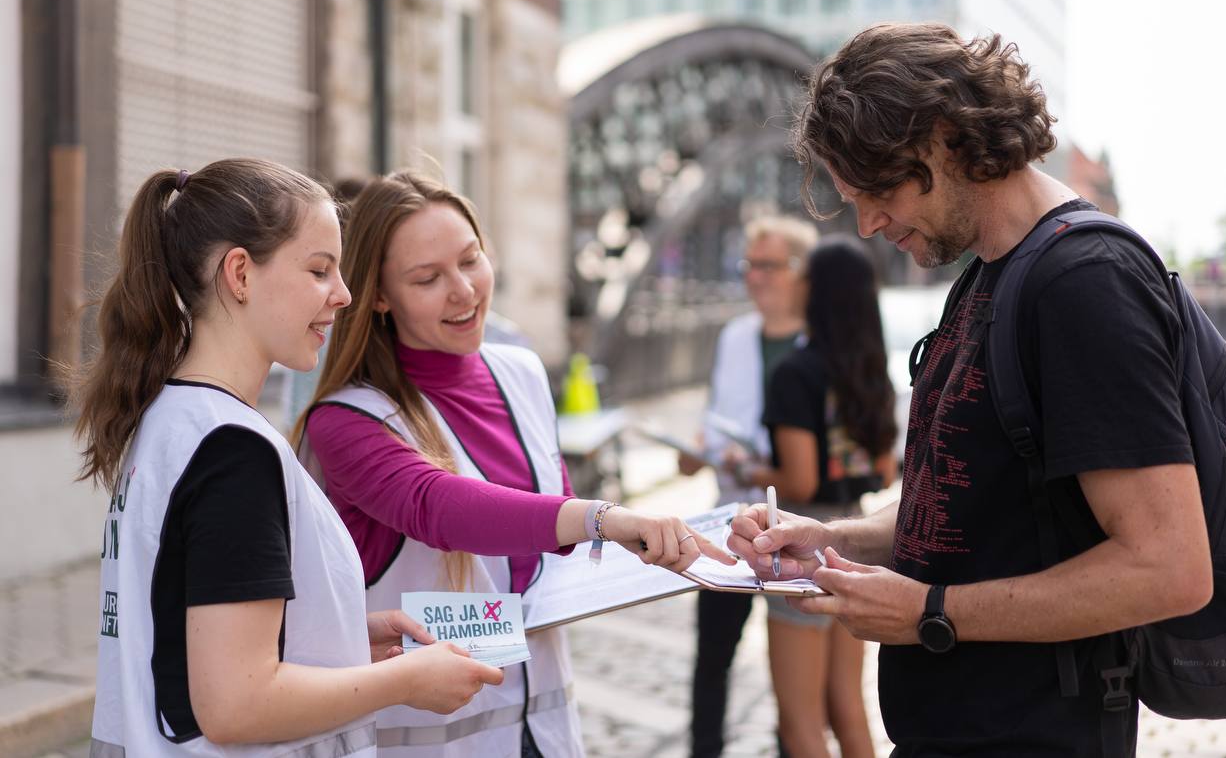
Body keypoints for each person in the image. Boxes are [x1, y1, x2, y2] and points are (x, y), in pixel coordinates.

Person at [729, 22, 1212, 757]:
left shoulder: (1084, 284)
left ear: (946, 137)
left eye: (880, 188)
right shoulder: (989, 274)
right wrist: (832, 538)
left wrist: (930, 611)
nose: (867, 223)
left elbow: (1169, 567)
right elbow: (971, 510)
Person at [71, 159, 503, 755]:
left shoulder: (171, 419)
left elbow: (185, 634)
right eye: (319, 270)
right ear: (241, 274)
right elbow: (236, 705)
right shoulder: (233, 451)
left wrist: (341, 638)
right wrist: (402, 680)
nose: (344, 295)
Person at [297, 170, 734, 758]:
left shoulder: (522, 373)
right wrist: (605, 518)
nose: (464, 290)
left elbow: (549, 541)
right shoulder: (345, 421)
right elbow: (439, 507)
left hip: (542, 726)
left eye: (471, 260)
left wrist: (687, 543)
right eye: (427, 278)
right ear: (378, 296)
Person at [750, 235, 895, 758]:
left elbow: (801, 483)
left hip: (801, 540)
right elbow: (882, 470)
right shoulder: (870, 370)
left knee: (801, 723)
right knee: (848, 708)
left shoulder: (795, 371)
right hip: (856, 538)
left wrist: (750, 467)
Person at [677, 214, 816, 758]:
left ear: (801, 273)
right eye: (749, 266)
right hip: (729, 521)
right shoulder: (735, 337)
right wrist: (699, 449)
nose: (754, 277)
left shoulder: (822, 343)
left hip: (800, 521)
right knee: (712, 655)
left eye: (768, 266)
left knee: (796, 673)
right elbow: (717, 418)